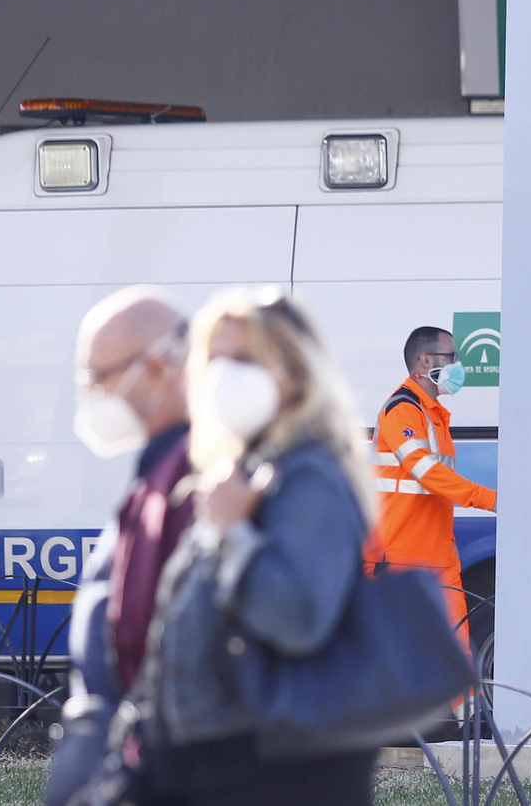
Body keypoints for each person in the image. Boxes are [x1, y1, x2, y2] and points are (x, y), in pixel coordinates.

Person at [133, 288, 379, 805]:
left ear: (295, 373)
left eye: (244, 359)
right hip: (217, 762)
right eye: (215, 360)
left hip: (269, 772)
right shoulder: (245, 468)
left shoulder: (309, 476)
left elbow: (297, 618)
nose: (224, 376)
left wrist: (234, 532)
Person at [46, 288, 194, 806]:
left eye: (96, 379)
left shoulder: (193, 479)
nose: (90, 396)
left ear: (157, 366)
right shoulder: (162, 469)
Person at [366, 326, 496, 650]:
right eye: (451, 357)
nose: (457, 366)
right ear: (425, 361)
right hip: (400, 558)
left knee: (454, 656)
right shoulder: (402, 410)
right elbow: (426, 472)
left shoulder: (432, 414)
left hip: (437, 556)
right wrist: (490, 499)